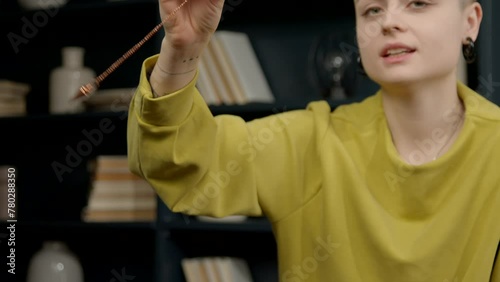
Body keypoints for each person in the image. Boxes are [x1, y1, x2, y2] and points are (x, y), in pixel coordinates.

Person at [127, 0, 499, 281]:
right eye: (371, 11)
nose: (390, 22)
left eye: (418, 3)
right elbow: (180, 162)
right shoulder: (310, 141)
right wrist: (182, 48)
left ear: (470, 22)